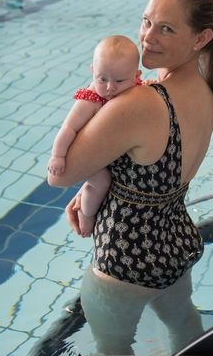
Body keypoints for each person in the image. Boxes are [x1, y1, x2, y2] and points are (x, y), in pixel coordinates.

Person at [47, 0, 213, 356]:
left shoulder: (141, 104)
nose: (148, 37)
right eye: (147, 21)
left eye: (166, 28)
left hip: (124, 265)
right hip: (173, 246)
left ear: (200, 39)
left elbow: (58, 174)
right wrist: (98, 188)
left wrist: (94, 90)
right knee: (185, 328)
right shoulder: (205, 90)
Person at [48, 35, 142, 237]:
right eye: (102, 79)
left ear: (137, 76)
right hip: (89, 158)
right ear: (92, 72)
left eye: (119, 81)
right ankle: (87, 216)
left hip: (110, 154)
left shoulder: (138, 92)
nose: (110, 88)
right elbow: (68, 128)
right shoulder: (91, 99)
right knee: (100, 183)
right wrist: (58, 156)